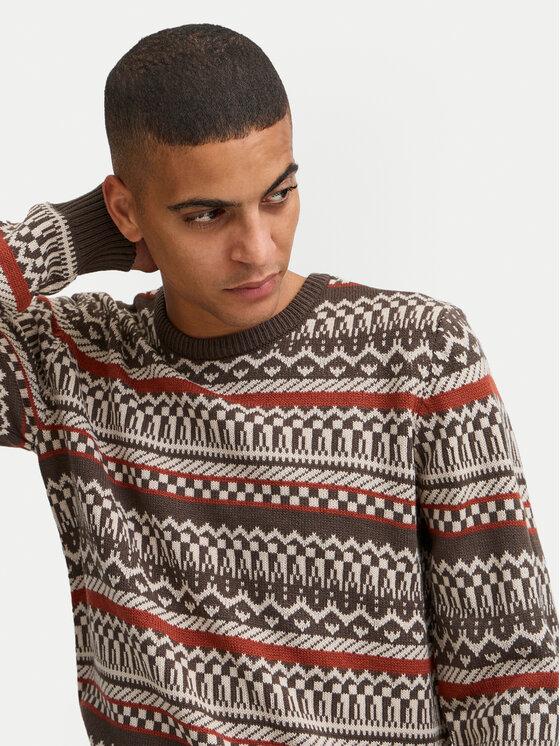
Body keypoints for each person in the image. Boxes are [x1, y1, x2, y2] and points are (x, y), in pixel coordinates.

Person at [0, 21, 557, 746]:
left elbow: (507, 666)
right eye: (206, 214)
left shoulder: (419, 352)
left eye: (278, 194)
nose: (258, 248)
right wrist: (78, 234)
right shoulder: (75, 366)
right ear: (127, 209)